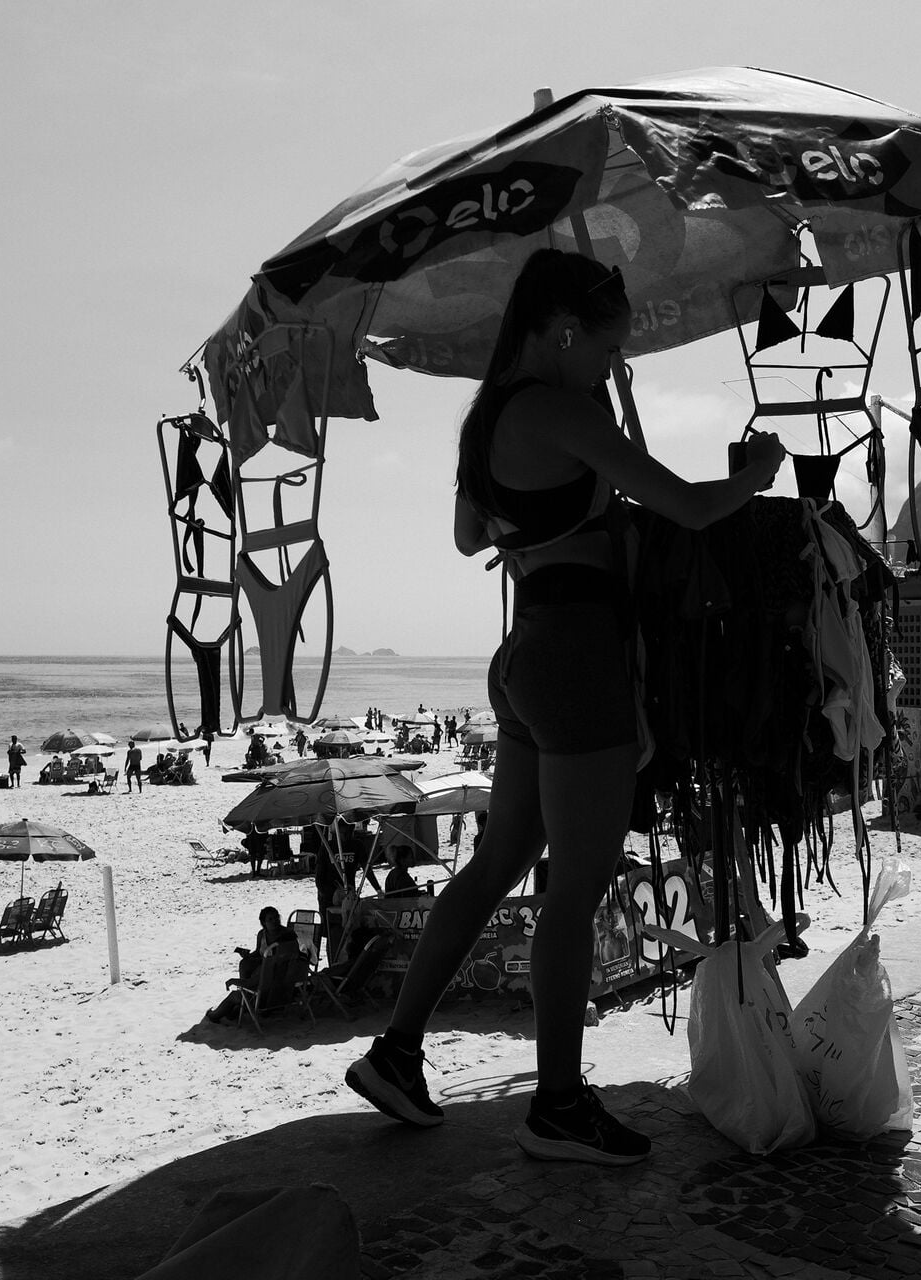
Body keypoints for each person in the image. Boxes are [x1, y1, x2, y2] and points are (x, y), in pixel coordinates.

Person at [345, 249, 785, 1166]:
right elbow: (688, 506)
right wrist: (755, 470)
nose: (611, 366)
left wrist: (568, 494)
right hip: (578, 653)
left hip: (525, 654)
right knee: (574, 888)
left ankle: (396, 1051)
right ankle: (556, 1106)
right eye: (607, 348)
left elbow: (468, 535)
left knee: (498, 861)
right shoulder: (560, 408)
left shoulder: (488, 420)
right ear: (563, 331)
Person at [205, 906, 301, 1024]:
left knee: (234, 996)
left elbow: (250, 982)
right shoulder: (263, 935)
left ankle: (214, 1015)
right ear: (263, 923)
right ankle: (239, 1006)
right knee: (245, 964)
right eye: (270, 919)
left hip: (268, 993)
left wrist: (232, 981)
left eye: (276, 917)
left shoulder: (285, 939)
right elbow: (259, 953)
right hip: (273, 981)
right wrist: (248, 956)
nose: (275, 921)